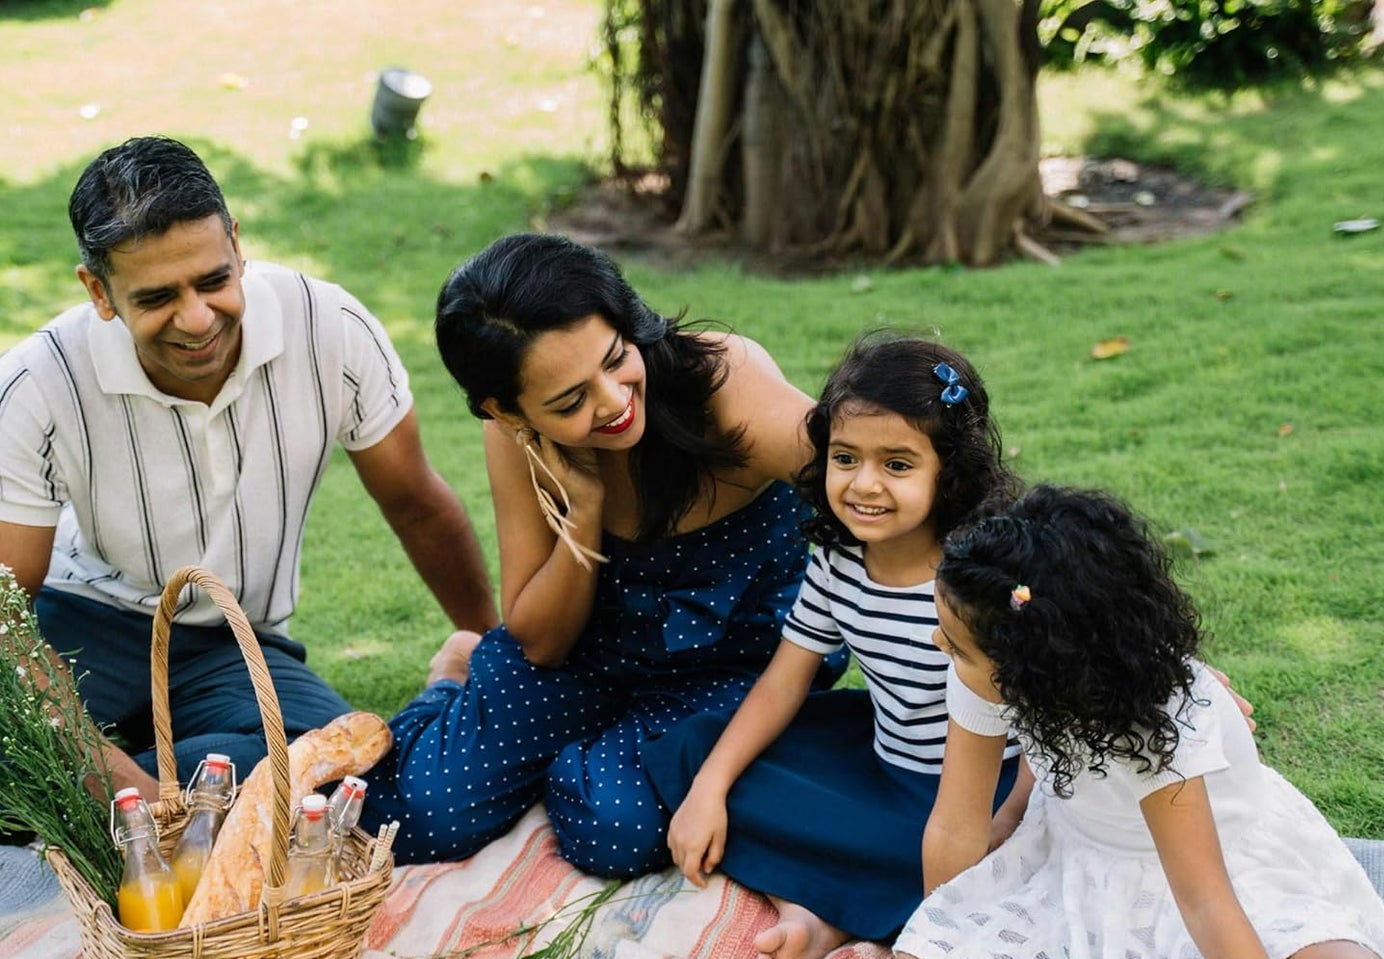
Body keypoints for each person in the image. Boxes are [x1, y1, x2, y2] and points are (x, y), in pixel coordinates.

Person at [888, 485, 1384, 959]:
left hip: (1220, 876)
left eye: (954, 645)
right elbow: (956, 823)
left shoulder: (1160, 716)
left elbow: (1205, 900)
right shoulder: (980, 672)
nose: (939, 646)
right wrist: (945, 933)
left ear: (1035, 665)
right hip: (1085, 865)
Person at [0, 136, 497, 796]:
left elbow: (415, 503)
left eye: (212, 280)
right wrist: (133, 795)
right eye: (156, 298)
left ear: (236, 244)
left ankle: (138, 776)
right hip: (80, 623)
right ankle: (171, 773)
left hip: (229, 642)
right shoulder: (37, 382)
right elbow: (7, 620)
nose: (198, 319)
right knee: (265, 791)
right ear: (98, 290)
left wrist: (495, 653)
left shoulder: (332, 329)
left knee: (339, 778)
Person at [359, 232, 835, 871]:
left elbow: (872, 496)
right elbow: (541, 641)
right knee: (411, 822)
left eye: (615, 359)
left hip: (736, 657)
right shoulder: (514, 436)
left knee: (611, 829)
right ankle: (455, 681)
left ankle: (585, 751)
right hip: (588, 654)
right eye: (570, 400)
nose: (613, 401)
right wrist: (581, 514)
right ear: (507, 409)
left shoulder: (724, 382)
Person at [645, 336, 1022, 959]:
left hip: (981, 795)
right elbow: (782, 683)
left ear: (948, 472)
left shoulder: (984, 575)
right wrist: (709, 788)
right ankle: (819, 908)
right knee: (697, 752)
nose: (864, 485)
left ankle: (834, 914)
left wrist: (1007, 833)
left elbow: (1060, 713)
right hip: (878, 759)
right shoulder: (838, 557)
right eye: (845, 458)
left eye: (898, 465)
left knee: (965, 864)